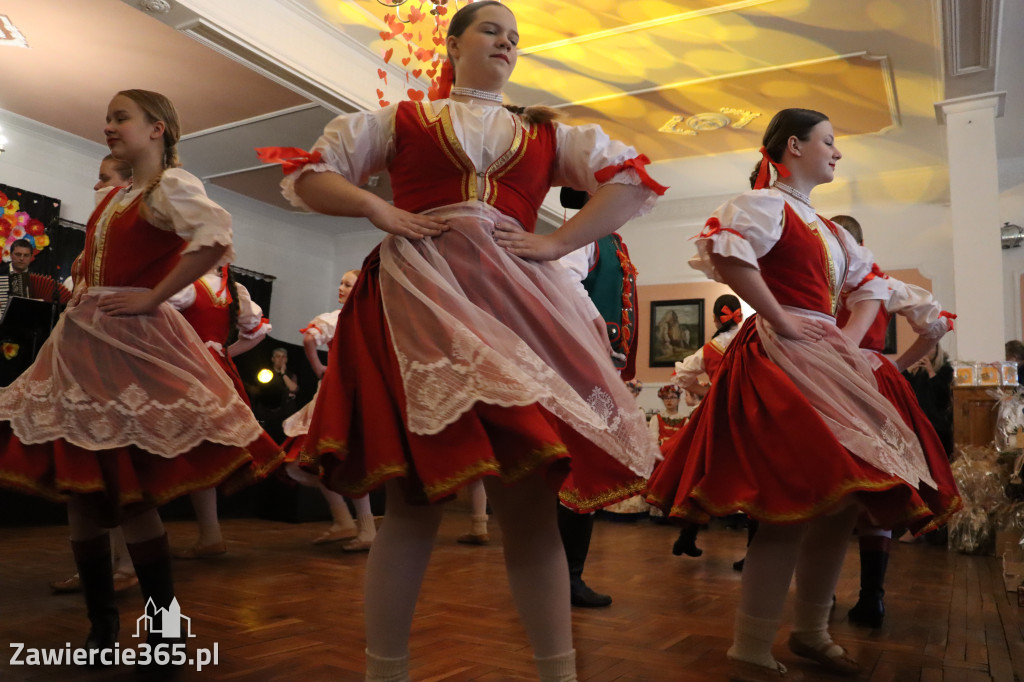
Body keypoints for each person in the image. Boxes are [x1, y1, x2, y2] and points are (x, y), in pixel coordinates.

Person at [266, 3, 664, 678]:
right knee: (413, 505)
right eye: (491, 31)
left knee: (530, 508)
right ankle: (384, 670)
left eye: (515, 38)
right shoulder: (403, 121)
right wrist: (376, 207)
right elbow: (309, 173)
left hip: (519, 309)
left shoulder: (543, 133)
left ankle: (557, 672)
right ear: (452, 44)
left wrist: (558, 240)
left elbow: (631, 180)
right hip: (419, 301)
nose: (507, 44)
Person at [646, 108, 958, 681]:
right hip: (783, 356)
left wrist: (841, 341)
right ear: (793, 145)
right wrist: (782, 322)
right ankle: (750, 644)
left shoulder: (835, 232)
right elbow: (730, 255)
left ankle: (812, 631)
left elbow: (870, 289)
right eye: (828, 142)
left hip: (820, 353)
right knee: (788, 506)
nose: (837, 152)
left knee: (840, 504)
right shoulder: (766, 205)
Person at [0, 89, 273, 660]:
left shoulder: (168, 185)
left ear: (158, 128)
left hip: (125, 347)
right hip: (82, 347)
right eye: (106, 118)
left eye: (120, 117)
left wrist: (153, 297)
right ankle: (101, 626)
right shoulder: (117, 195)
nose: (108, 126)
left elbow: (215, 237)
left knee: (130, 499)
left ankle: (165, 630)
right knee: (82, 495)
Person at [832, 214, 960, 629]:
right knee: (876, 486)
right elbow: (936, 324)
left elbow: (937, 324)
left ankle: (829, 595)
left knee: (832, 483)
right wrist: (895, 366)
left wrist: (896, 366)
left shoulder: (821, 283)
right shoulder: (881, 283)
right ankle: (871, 597)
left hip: (831, 384)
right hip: (869, 382)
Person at [49, 155, 138, 596]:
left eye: (104, 178)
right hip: (80, 355)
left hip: (111, 359)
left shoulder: (129, 238)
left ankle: (125, 564)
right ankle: (95, 570)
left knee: (113, 465)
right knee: (83, 468)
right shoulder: (93, 241)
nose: (96, 184)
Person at [168, 265, 284, 559]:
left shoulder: (184, 285)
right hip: (219, 373)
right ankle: (210, 535)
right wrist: (221, 352)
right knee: (205, 449)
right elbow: (257, 333)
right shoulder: (233, 290)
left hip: (184, 372)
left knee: (171, 447)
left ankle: (137, 544)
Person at [281, 269, 377, 551]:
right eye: (341, 283)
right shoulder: (374, 319)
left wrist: (319, 368)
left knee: (335, 457)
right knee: (318, 458)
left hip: (341, 395)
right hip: (357, 393)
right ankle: (344, 521)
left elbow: (310, 339)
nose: (341, 287)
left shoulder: (338, 318)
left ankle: (364, 526)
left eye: (347, 284)